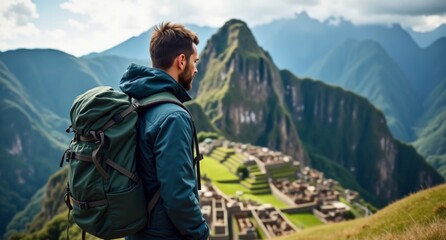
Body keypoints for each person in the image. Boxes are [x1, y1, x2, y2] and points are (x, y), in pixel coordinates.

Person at [120, 22, 210, 240]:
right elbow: (178, 194)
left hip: (136, 229)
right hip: (163, 233)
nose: (196, 69)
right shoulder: (174, 117)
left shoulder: (136, 100)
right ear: (181, 61)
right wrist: (200, 233)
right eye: (194, 61)